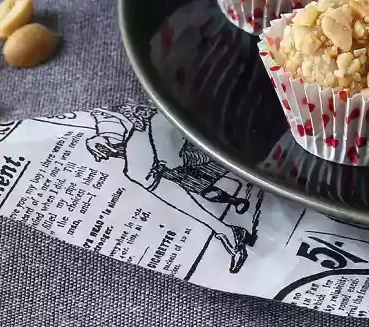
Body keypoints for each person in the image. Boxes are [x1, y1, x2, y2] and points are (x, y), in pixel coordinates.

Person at [84, 105, 257, 273]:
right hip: (151, 123)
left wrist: (106, 134)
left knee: (152, 167)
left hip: (165, 113)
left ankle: (227, 230)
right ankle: (226, 230)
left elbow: (117, 121)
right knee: (146, 170)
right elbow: (108, 124)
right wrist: (102, 136)